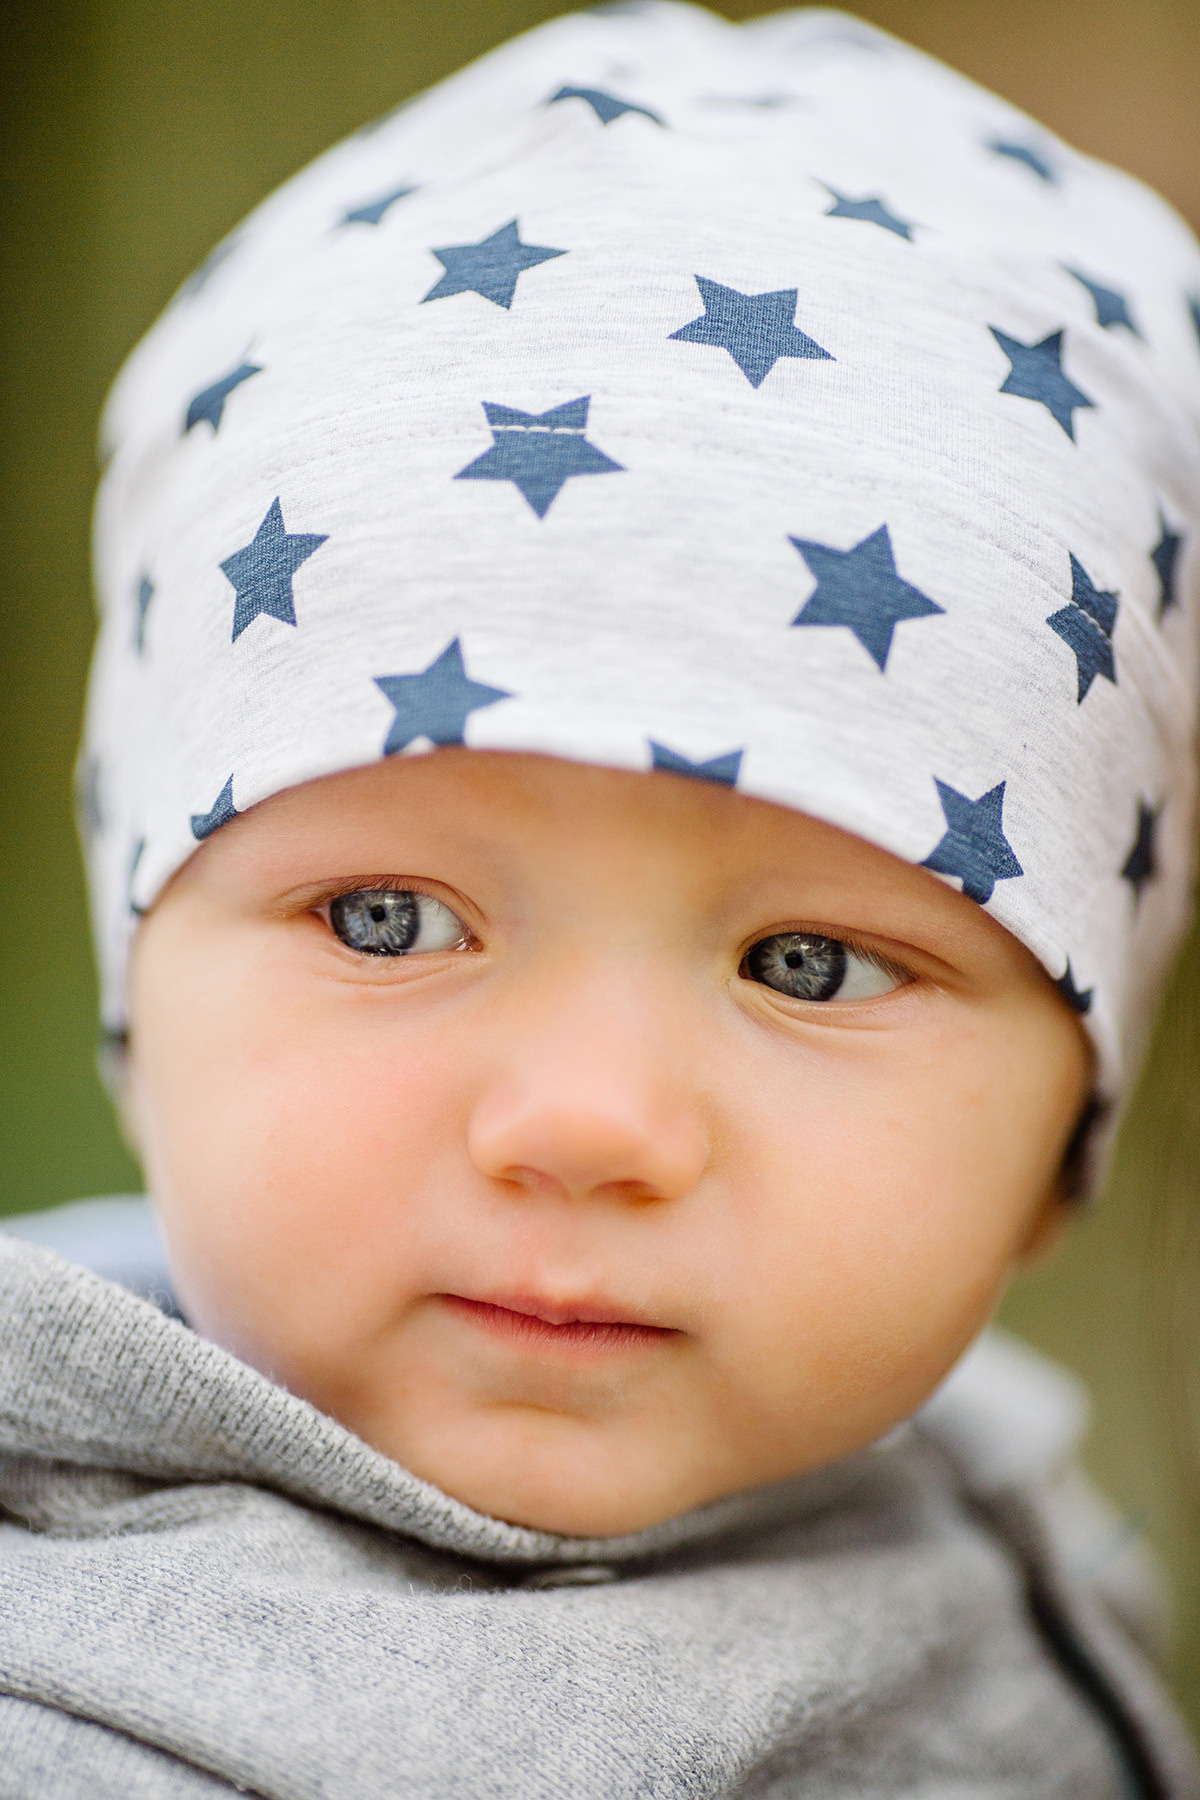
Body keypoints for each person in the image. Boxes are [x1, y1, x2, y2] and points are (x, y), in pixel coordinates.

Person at [1, 1, 1198, 1791]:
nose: (588, 1122)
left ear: (1059, 1134)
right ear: (144, 994)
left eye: (810, 961)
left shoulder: (1027, 1576)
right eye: (388, 921)